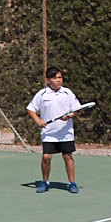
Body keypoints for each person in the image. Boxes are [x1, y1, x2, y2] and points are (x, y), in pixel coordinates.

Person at [27, 66, 84, 194]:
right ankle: (45, 182)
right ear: (48, 80)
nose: (59, 80)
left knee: (67, 156)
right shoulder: (41, 94)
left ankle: (72, 183)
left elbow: (78, 109)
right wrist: (38, 120)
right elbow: (30, 109)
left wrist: (70, 116)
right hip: (48, 133)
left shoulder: (68, 93)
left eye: (60, 77)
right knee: (46, 157)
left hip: (65, 133)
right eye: (55, 78)